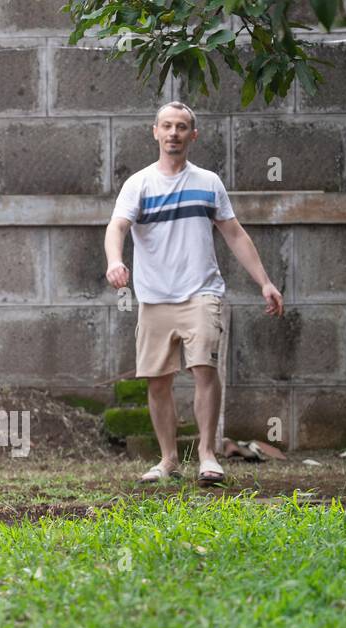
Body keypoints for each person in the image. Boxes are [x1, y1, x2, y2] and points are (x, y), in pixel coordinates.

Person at [105, 101, 283, 485]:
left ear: (193, 135)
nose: (173, 133)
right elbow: (117, 227)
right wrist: (114, 261)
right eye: (167, 126)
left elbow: (234, 233)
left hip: (202, 292)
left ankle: (206, 454)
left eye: (181, 127)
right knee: (157, 380)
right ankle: (168, 460)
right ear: (155, 132)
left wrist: (265, 282)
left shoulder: (208, 182)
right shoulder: (139, 184)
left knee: (204, 368)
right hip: (154, 298)